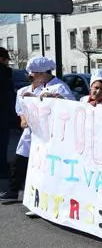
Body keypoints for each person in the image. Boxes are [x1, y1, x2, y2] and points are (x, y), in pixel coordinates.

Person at [0, 59, 46, 203]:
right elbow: (19, 110)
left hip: (43, 132)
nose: (32, 77)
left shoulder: (46, 91)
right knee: (19, 159)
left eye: (35, 74)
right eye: (31, 74)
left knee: (39, 163)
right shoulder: (22, 91)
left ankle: (37, 193)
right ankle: (13, 190)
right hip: (28, 132)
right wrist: (23, 119)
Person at [0, 47, 15, 178]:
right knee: (2, 142)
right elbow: (8, 96)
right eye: (5, 60)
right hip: (2, 114)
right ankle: (2, 169)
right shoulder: (4, 74)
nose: (7, 62)